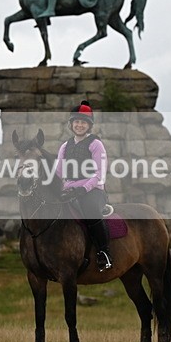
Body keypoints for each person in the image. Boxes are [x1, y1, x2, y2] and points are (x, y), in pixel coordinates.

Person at [56, 100, 112, 272]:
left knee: (90, 210)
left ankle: (104, 253)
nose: (79, 125)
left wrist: (83, 189)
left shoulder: (96, 144)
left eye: (83, 122)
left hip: (92, 190)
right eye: (76, 122)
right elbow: (58, 171)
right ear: (71, 124)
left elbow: (99, 174)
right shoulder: (65, 146)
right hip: (70, 190)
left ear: (89, 125)